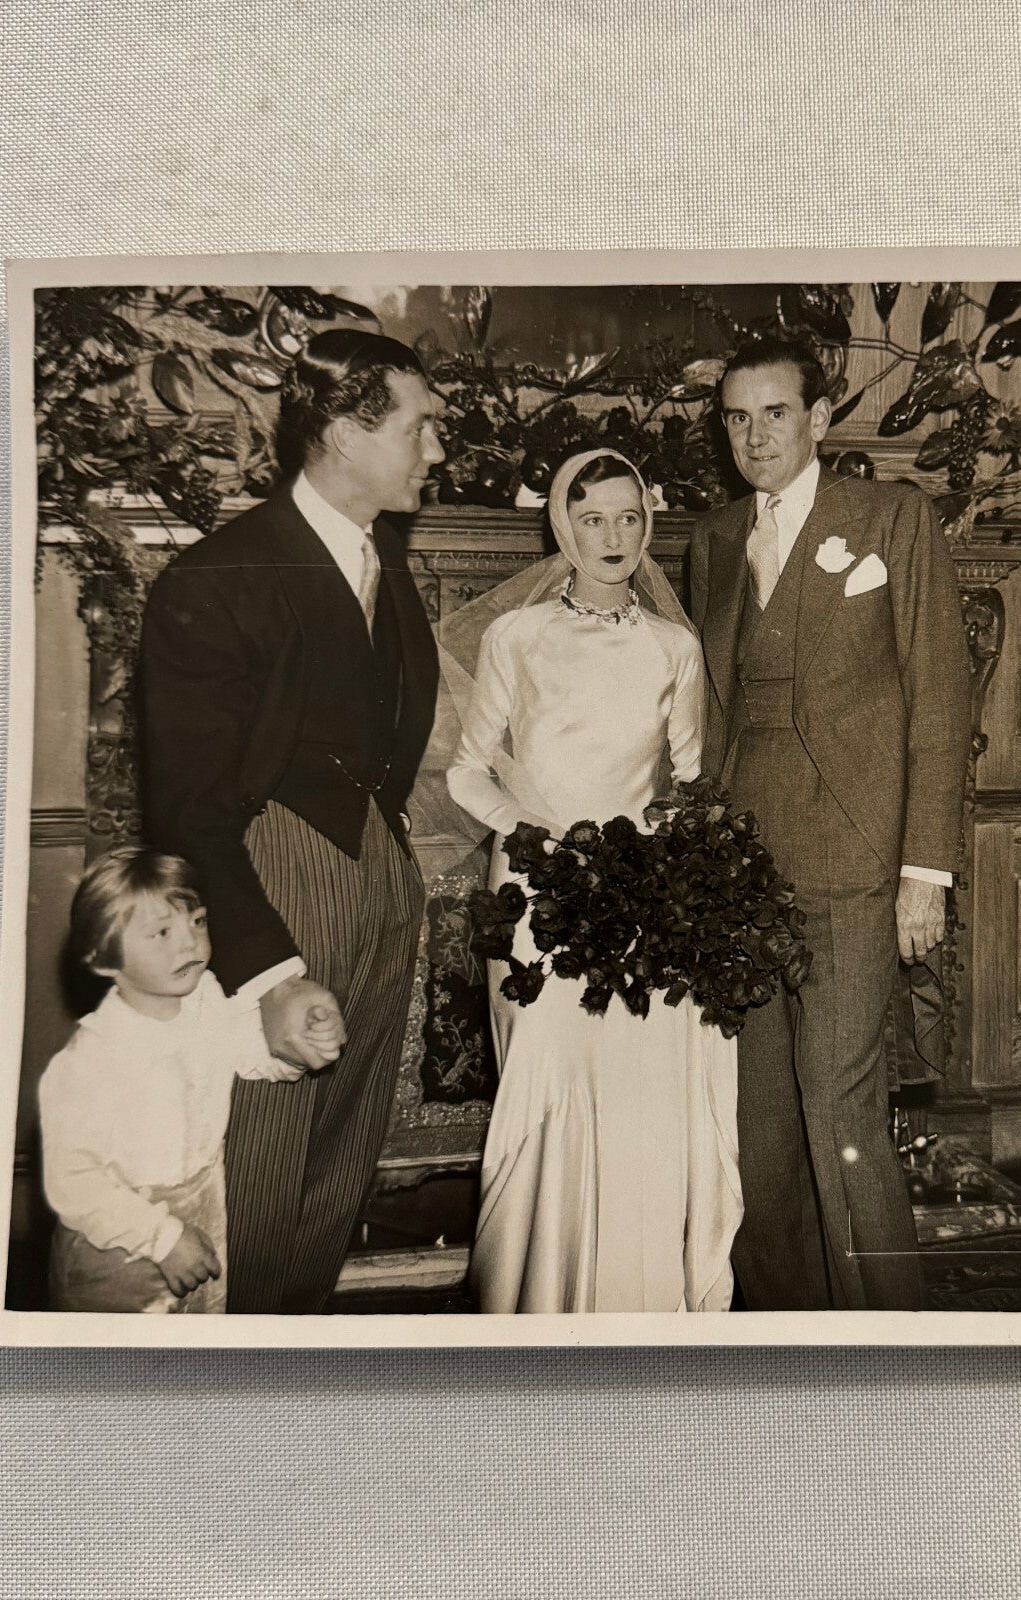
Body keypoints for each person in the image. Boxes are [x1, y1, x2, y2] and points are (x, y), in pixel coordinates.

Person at [139, 328, 442, 1313]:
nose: (435, 449)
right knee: (260, 1189)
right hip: (274, 898)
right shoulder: (219, 575)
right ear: (347, 433)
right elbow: (186, 807)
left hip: (375, 882)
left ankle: (290, 1356)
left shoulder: (381, 564)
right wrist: (264, 971)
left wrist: (383, 873)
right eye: (419, 425)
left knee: (337, 1177)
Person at [689, 337, 970, 1312]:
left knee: (840, 1112)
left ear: (818, 418)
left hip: (854, 862)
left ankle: (887, 1337)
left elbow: (940, 706)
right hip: (741, 872)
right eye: (735, 416)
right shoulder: (714, 538)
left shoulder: (891, 520)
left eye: (774, 413)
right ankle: (782, 1331)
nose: (754, 435)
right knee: (757, 1126)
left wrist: (923, 872)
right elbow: (711, 715)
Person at [443, 449, 742, 1313]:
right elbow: (468, 774)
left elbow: (688, 778)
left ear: (647, 524)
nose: (613, 537)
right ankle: (529, 1301)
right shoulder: (518, 635)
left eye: (628, 518)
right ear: (561, 529)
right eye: (592, 519)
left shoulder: (673, 645)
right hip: (536, 890)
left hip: (638, 897)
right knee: (545, 1086)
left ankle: (631, 1298)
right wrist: (534, 837)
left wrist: (668, 845)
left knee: (635, 1092)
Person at [39, 848, 317, 1313]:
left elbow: (253, 1055)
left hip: (203, 1205)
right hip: (119, 1241)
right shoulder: (91, 1059)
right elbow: (74, 1182)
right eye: (162, 932)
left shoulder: (206, 999)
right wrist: (162, 1239)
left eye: (199, 922)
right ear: (104, 957)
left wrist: (296, 1046)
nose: (189, 944)